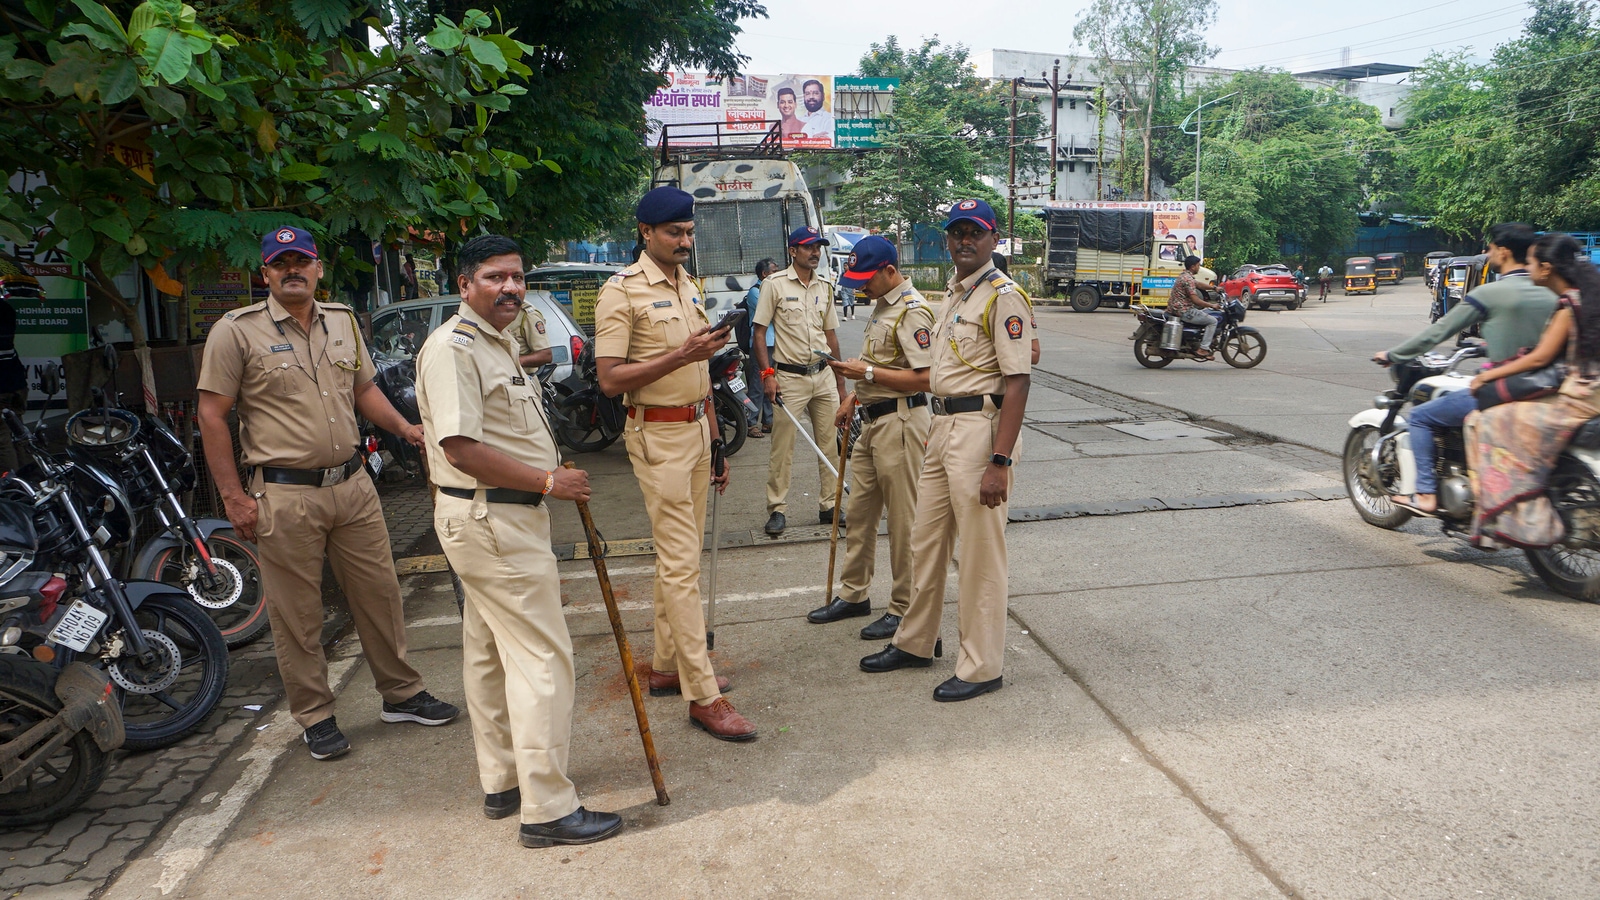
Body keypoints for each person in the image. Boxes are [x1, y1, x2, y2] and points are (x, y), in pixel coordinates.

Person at [196, 226, 459, 761]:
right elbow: (211, 415)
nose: (293, 270)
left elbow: (364, 390)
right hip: (284, 494)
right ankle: (316, 716)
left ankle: (402, 693)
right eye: (280, 263)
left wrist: (407, 429)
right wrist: (233, 497)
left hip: (354, 484)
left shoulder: (341, 322)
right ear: (265, 273)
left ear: (318, 268)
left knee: (380, 595)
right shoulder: (236, 332)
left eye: (302, 261)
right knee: (298, 614)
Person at [416, 234, 621, 848]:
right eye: (494, 278)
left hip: (497, 518)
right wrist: (548, 480)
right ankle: (548, 808)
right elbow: (460, 448)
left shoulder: (497, 343)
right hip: (493, 520)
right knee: (542, 660)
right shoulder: (453, 349)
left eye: (516, 277)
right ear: (464, 285)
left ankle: (504, 779)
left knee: (487, 653)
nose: (509, 287)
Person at [593, 187, 751, 741]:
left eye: (689, 232)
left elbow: (701, 373)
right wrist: (681, 354)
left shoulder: (689, 285)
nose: (685, 242)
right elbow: (610, 379)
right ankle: (702, 695)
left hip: (694, 430)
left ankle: (666, 666)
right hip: (655, 436)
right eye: (673, 233)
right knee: (682, 565)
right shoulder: (622, 293)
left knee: (677, 562)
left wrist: (713, 440)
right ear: (645, 232)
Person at [860, 199, 1031, 702]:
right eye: (956, 232)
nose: (963, 241)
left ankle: (981, 666)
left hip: (981, 429)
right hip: (941, 424)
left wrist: (999, 461)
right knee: (924, 539)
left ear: (993, 239)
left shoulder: (1003, 296)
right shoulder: (955, 295)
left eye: (974, 233)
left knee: (979, 555)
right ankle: (915, 641)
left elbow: (1018, 382)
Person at [1373, 223, 1556, 515]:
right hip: (1550, 387)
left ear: (1504, 251)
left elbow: (1439, 332)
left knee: (1420, 416)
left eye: (1491, 247)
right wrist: (1489, 346)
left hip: (1507, 387)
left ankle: (1426, 494)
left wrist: (1394, 354)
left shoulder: (1491, 293)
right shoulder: (1553, 291)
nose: (1487, 253)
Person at [808, 236, 936, 640]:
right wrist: (854, 399)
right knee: (860, 514)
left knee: (903, 522)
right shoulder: (881, 306)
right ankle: (855, 593)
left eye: (867, 278)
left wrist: (863, 375)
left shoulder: (913, 312)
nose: (861, 287)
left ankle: (904, 608)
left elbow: (927, 378)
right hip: (871, 421)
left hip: (902, 424)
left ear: (890, 271)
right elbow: (878, 364)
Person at [1466, 232, 1600, 547]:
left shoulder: (1570, 304)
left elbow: (1539, 357)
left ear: (1546, 268)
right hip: (1590, 394)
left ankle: (1513, 519)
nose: (1526, 267)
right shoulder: (1589, 300)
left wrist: (1488, 376)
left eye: (1529, 262)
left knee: (1481, 422)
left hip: (1578, 401)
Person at [753, 225, 846, 536]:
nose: (815, 252)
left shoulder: (825, 286)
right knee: (783, 448)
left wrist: (841, 380)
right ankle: (777, 509)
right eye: (808, 247)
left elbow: (830, 334)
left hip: (823, 376)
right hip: (789, 378)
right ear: (793, 251)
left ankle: (829, 505)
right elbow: (759, 331)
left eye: (818, 246)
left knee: (831, 444)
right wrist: (768, 375)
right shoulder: (775, 285)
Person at [740, 258, 777, 437]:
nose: (777, 275)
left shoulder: (771, 290)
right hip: (760, 344)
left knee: (771, 384)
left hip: (773, 343)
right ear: (764, 274)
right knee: (757, 384)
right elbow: (772, 312)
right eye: (773, 271)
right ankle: (751, 423)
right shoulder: (755, 292)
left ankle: (768, 421)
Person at [1167, 255, 1220, 359]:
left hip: (1176, 308)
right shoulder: (1188, 279)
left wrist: (1214, 288)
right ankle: (1203, 349)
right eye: (1198, 265)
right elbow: (1196, 300)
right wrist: (1212, 305)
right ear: (1192, 267)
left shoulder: (1185, 276)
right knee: (1213, 321)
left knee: (1205, 314)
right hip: (1184, 311)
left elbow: (1199, 284)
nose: (1199, 267)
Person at [0, 296, 29, 473]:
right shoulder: (6, 309)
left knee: (2, 440)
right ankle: (32, 477)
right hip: (17, 382)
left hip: (1, 387)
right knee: (20, 434)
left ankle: (13, 487)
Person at [509, 301, 553, 375]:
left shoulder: (527, 315)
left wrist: (511, 362)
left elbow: (545, 355)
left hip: (519, 378)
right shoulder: (488, 312)